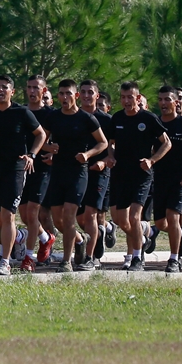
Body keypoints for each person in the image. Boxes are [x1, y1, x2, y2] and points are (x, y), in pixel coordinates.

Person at [0, 75, 47, 275]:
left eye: (5, 87)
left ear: (12, 91)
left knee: (7, 215)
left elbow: (41, 134)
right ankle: (18, 237)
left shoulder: (21, 112)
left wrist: (32, 155)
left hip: (15, 168)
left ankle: (5, 261)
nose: (1, 90)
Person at [42, 80, 108, 272]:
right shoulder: (53, 117)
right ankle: (80, 239)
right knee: (58, 219)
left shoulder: (86, 119)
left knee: (70, 216)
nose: (64, 97)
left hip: (78, 173)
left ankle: (66, 261)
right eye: (61, 94)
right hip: (58, 171)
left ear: (76, 96)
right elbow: (41, 139)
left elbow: (102, 143)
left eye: (68, 94)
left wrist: (87, 155)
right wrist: (49, 147)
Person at [108, 82, 171, 271]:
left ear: (137, 98)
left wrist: (152, 160)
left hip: (141, 175)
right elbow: (110, 142)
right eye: (123, 97)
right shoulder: (117, 118)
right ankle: (143, 235)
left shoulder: (148, 119)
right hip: (121, 174)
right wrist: (111, 156)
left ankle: (137, 258)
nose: (126, 101)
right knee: (120, 220)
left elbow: (166, 144)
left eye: (130, 97)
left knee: (134, 216)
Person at [151, 86, 182, 273]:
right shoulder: (155, 123)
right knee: (160, 223)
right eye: (161, 99)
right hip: (160, 177)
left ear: (176, 102)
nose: (163, 103)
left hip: (181, 179)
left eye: (167, 100)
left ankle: (173, 259)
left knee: (173, 216)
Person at [18, 76, 58, 268]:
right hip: (21, 167)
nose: (32, 91)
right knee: (25, 215)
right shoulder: (20, 111)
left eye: (36, 88)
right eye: (29, 87)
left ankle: (28, 257)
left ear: (44, 91)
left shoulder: (52, 114)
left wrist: (52, 153)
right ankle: (45, 237)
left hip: (42, 168)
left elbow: (59, 144)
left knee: (33, 212)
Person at [76, 79, 113, 271]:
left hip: (99, 172)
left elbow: (114, 147)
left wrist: (104, 161)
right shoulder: (74, 116)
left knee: (90, 215)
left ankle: (89, 258)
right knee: (80, 218)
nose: (87, 95)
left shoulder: (106, 120)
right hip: (77, 172)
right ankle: (95, 235)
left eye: (90, 92)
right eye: (83, 91)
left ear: (97, 96)